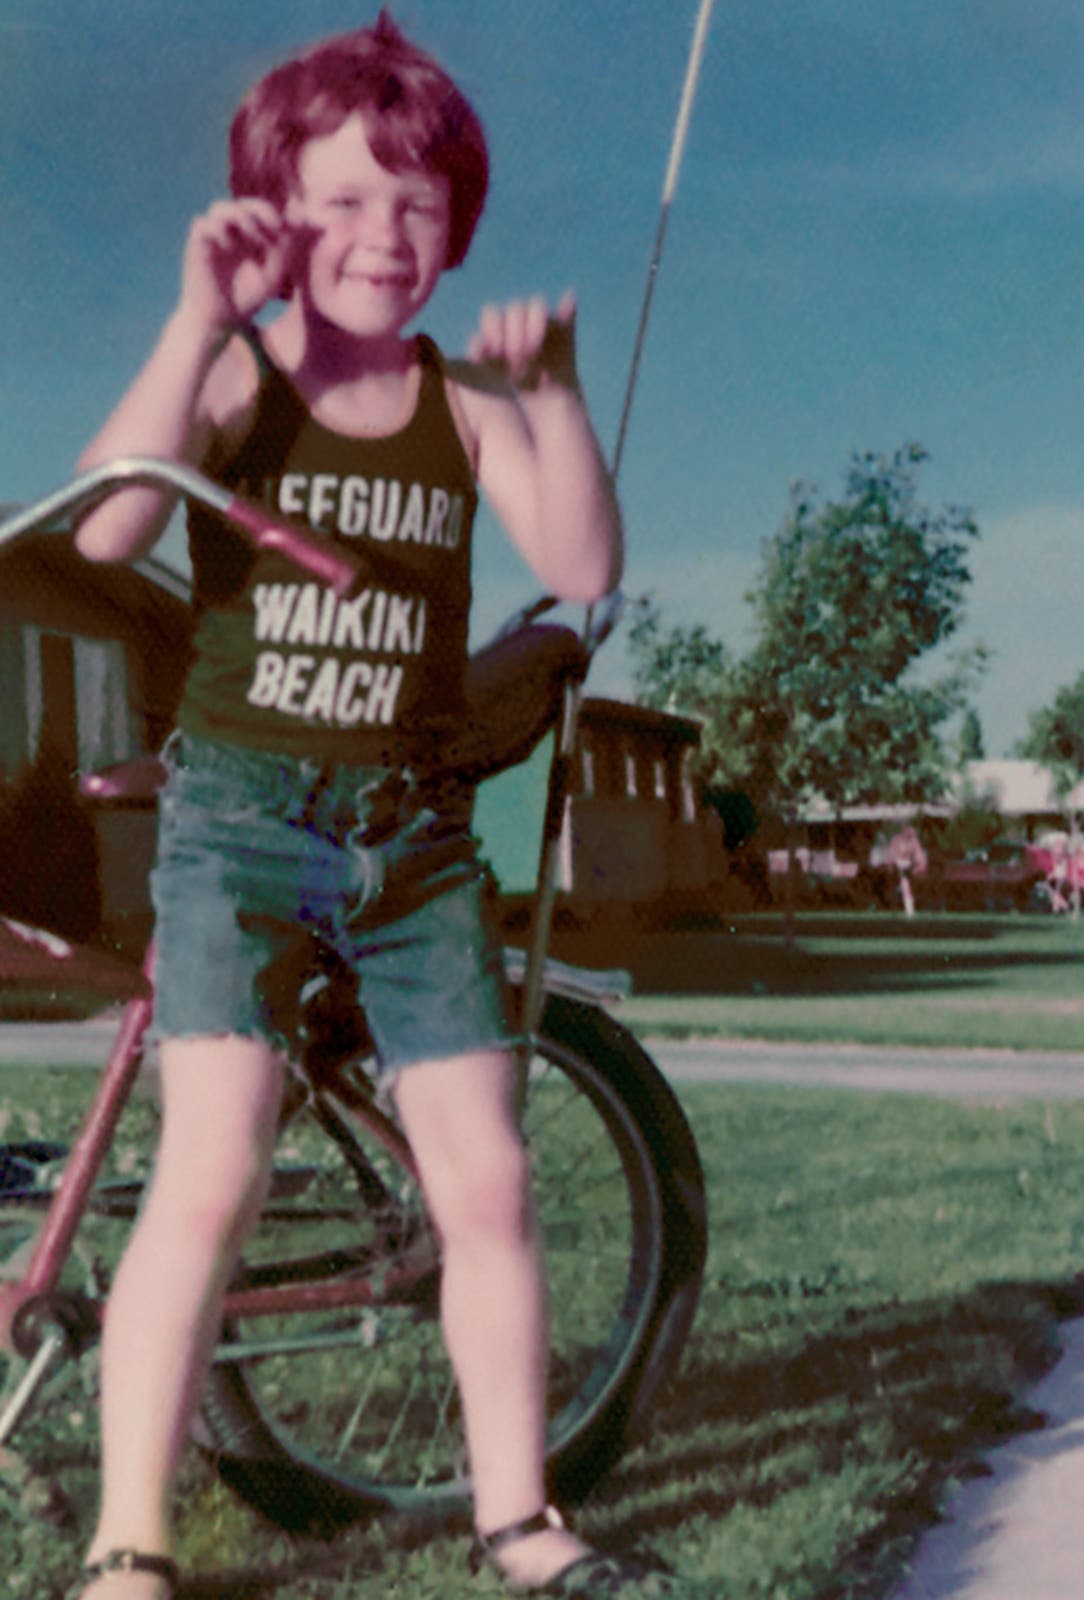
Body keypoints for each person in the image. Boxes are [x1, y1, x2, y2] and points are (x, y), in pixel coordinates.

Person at [68, 16, 667, 1597]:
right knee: (213, 1172)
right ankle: (130, 1541)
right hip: (240, 827)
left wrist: (557, 396)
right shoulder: (238, 377)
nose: (382, 236)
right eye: (340, 202)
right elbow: (110, 528)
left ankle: (518, 1517)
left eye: (416, 205)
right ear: (274, 213)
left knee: (487, 1181)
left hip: (412, 838)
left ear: (456, 225)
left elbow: (584, 564)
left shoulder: (464, 401)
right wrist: (195, 321)